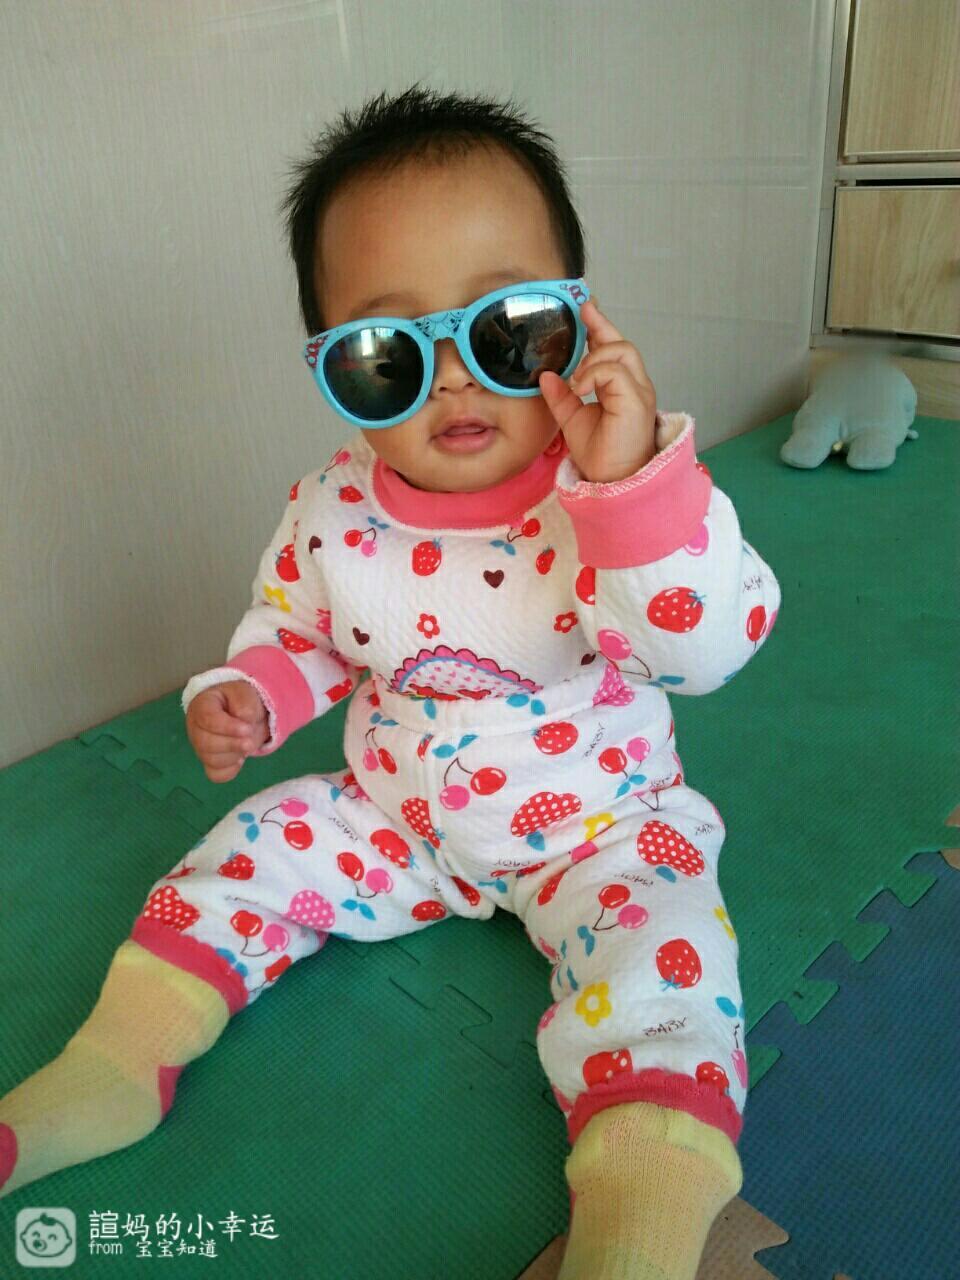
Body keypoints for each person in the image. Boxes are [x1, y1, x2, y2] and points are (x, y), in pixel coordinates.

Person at [0, 83, 781, 1280]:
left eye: (510, 329)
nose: (457, 378)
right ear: (328, 366)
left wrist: (634, 494)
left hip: (604, 824)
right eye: (386, 356)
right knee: (248, 846)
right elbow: (302, 626)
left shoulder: (620, 492)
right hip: (397, 814)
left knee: (666, 965)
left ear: (583, 323)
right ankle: (114, 1061)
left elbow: (704, 648)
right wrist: (254, 688)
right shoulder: (332, 509)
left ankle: (644, 1200)